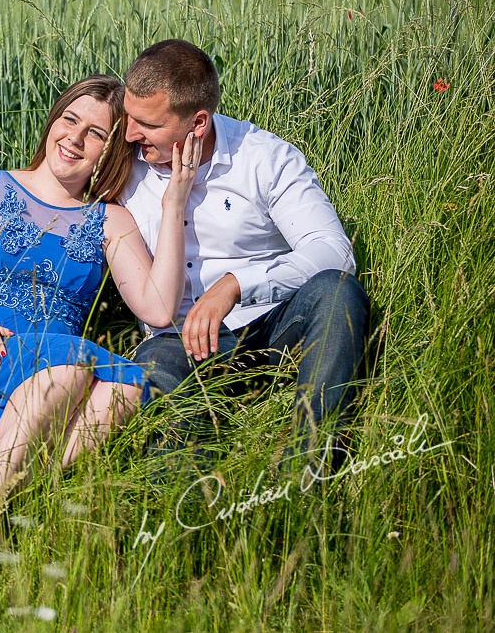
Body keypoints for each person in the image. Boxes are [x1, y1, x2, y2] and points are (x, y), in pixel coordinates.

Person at [0, 74, 199, 568]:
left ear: (110, 149)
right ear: (52, 120)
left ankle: (17, 493)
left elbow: (159, 309)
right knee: (73, 370)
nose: (76, 139)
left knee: (127, 389)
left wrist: (174, 205)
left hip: (60, 369)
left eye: (97, 133)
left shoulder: (110, 220)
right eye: (70, 119)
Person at [121, 39, 369, 480]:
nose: (129, 134)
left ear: (198, 122)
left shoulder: (264, 157)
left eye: (146, 123)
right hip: (176, 341)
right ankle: (184, 515)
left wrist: (236, 285)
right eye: (128, 116)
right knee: (154, 367)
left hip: (271, 325)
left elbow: (335, 251)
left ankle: (304, 475)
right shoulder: (127, 164)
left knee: (338, 293)